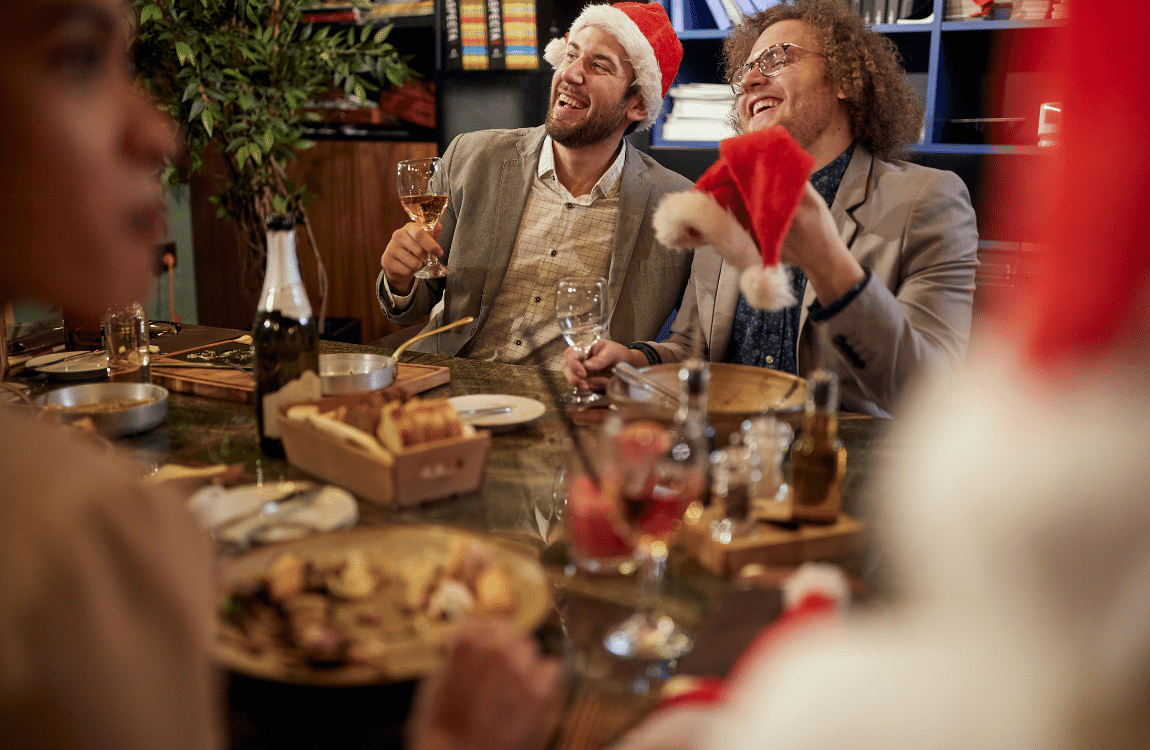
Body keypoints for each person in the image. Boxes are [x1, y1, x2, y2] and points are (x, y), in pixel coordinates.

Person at [0, 2, 558, 749]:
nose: (160, 131)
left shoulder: (661, 194)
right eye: (77, 59)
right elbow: (409, 305)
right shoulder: (81, 536)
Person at [565, 0, 979, 417]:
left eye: (776, 58)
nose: (750, 80)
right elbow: (694, 351)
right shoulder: (725, 207)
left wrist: (830, 264)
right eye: (744, 71)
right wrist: (635, 362)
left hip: (840, 464)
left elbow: (932, 397)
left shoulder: (929, 200)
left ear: (845, 79)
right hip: (729, 455)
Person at [376, 2, 695, 369]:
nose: (571, 73)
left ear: (637, 105)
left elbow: (694, 344)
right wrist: (400, 279)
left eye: (598, 65)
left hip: (575, 408)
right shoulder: (471, 157)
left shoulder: (677, 207)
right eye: (571, 54)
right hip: (457, 384)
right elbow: (410, 306)